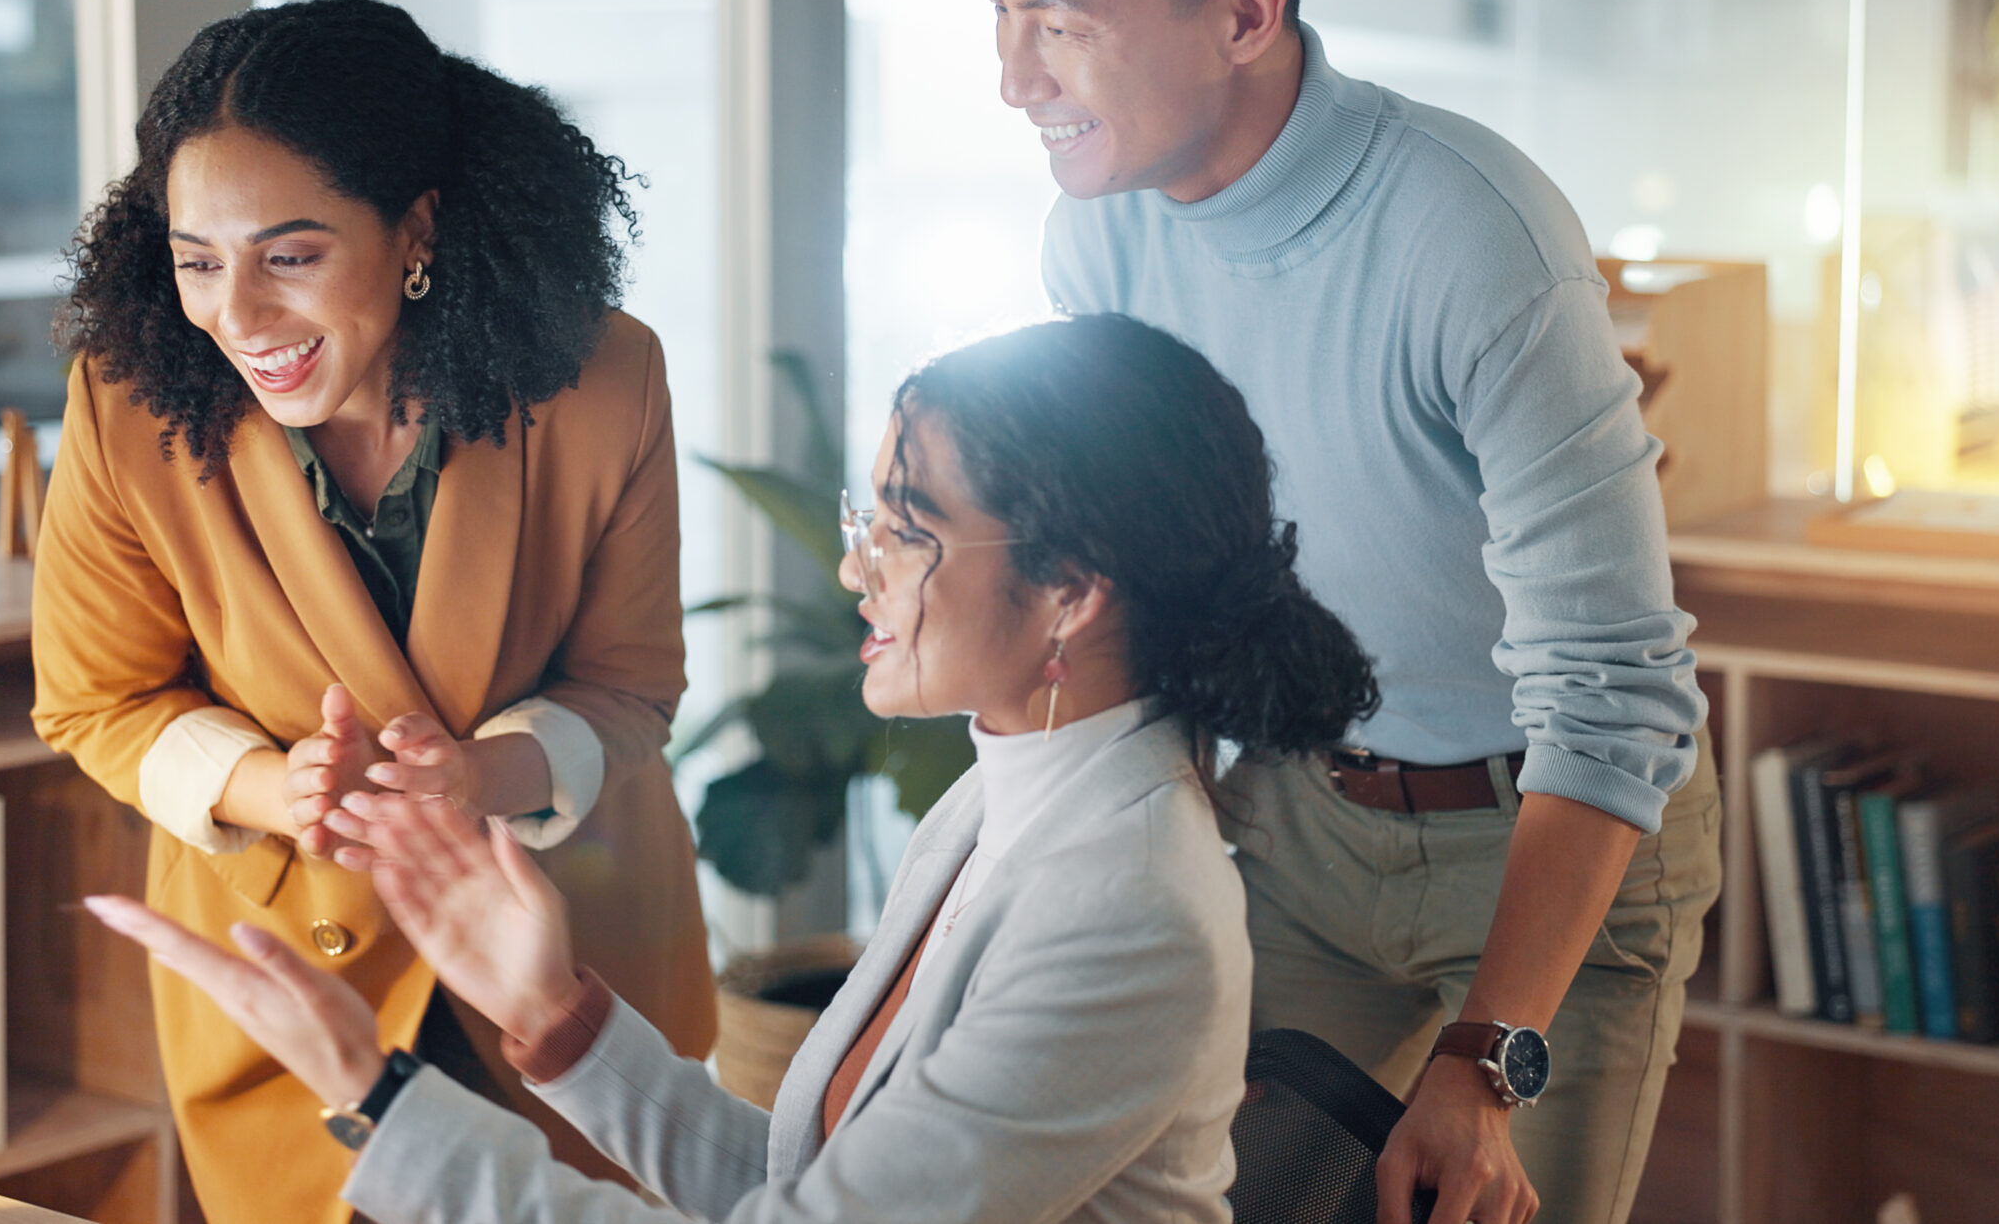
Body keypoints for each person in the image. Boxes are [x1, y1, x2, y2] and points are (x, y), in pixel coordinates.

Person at [87, 313, 1380, 1223]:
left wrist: (378, 1089)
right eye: (862, 516)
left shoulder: (1129, 904)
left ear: (1072, 593)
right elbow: (805, 1182)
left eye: (904, 527)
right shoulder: (1013, 788)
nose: (853, 567)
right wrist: (560, 1019)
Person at [983, 0, 1721, 1223]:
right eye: (998, 14)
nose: (1011, 76)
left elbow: (1616, 695)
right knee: (1179, 1196)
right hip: (1301, 814)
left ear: (1247, 15)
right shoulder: (1095, 236)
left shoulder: (1472, 237)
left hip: (1546, 825)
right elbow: (1164, 589)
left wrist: (1488, 1057)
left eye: (1060, 24)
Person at [29, 0, 715, 1224]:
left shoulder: (607, 380)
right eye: (197, 261)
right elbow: (98, 699)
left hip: (570, 976)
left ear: (416, 230)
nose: (237, 315)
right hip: (301, 984)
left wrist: (471, 783)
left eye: (290, 255)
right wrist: (270, 787)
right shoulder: (127, 403)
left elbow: (629, 689)